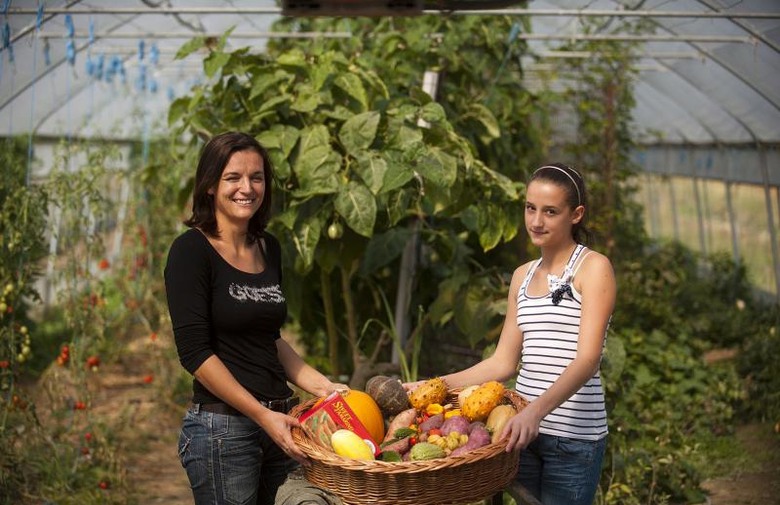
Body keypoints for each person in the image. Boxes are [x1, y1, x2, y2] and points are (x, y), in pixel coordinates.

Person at [413, 163, 616, 505]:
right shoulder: (522, 275)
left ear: (576, 214)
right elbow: (503, 363)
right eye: (530, 208)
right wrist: (435, 386)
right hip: (516, 431)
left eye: (550, 212)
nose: (536, 221)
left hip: (572, 438)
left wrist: (534, 413)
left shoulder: (594, 268)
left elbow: (587, 359)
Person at [164, 131, 345, 505]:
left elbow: (270, 338)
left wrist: (324, 387)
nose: (247, 187)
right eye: (233, 177)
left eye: (256, 177)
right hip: (224, 431)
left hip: (282, 421)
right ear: (210, 185)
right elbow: (195, 354)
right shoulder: (190, 251)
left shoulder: (268, 247)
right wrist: (261, 415)